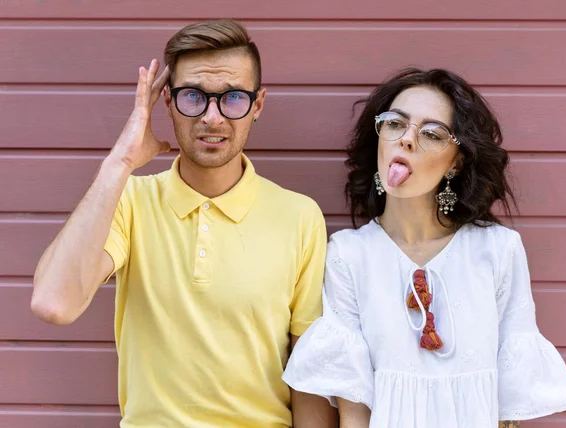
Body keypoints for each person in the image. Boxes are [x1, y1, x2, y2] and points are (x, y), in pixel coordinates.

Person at [31, 19, 337, 428]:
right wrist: (119, 164)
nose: (212, 118)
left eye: (232, 98)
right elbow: (54, 304)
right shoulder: (129, 201)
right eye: (194, 96)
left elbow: (309, 377)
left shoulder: (300, 216)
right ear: (168, 102)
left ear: (258, 104)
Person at [282, 68, 566, 428]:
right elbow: (354, 405)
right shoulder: (348, 255)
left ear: (456, 161)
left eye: (431, 133)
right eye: (395, 124)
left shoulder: (498, 249)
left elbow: (508, 408)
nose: (407, 140)